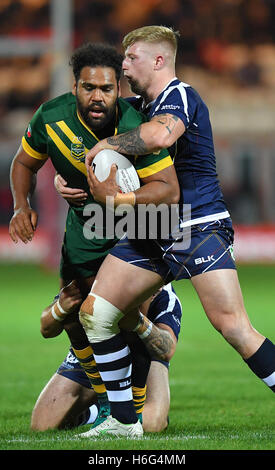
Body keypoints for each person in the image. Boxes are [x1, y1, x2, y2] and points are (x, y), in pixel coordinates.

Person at [77, 26, 275, 439]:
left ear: (159, 60)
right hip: (153, 225)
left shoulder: (179, 95)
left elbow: (161, 134)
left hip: (195, 224)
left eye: (131, 58)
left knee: (234, 327)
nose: (124, 65)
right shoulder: (133, 106)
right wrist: (70, 180)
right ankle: (122, 423)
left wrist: (107, 144)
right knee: (96, 313)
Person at [8, 42, 181, 434]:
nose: (97, 97)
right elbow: (23, 162)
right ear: (75, 88)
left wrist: (116, 197)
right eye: (89, 88)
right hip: (85, 239)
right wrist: (22, 205)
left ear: (118, 88)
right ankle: (104, 406)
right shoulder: (52, 118)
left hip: (134, 242)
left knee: (151, 425)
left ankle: (126, 404)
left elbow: (168, 191)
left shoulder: (137, 124)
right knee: (42, 425)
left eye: (106, 88)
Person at [31, 278, 182, 432]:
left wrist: (140, 323)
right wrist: (60, 308)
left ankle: (115, 408)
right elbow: (47, 329)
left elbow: (166, 351)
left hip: (146, 356)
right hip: (96, 352)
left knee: (151, 424)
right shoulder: (101, 278)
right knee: (42, 425)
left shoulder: (164, 295)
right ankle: (100, 411)